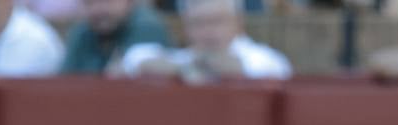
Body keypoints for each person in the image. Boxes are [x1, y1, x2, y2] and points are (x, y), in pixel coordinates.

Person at [118, 0, 292, 83]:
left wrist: (201, 64)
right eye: (198, 24)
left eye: (216, 21)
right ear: (185, 28)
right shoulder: (183, 58)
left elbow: (273, 69)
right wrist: (183, 68)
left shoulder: (261, 57)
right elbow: (134, 59)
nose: (208, 30)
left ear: (238, 23)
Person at [60, 0, 173, 75]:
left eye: (108, 1)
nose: (100, 10)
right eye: (91, 2)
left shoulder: (146, 27)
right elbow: (64, 81)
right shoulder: (81, 32)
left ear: (129, 2)